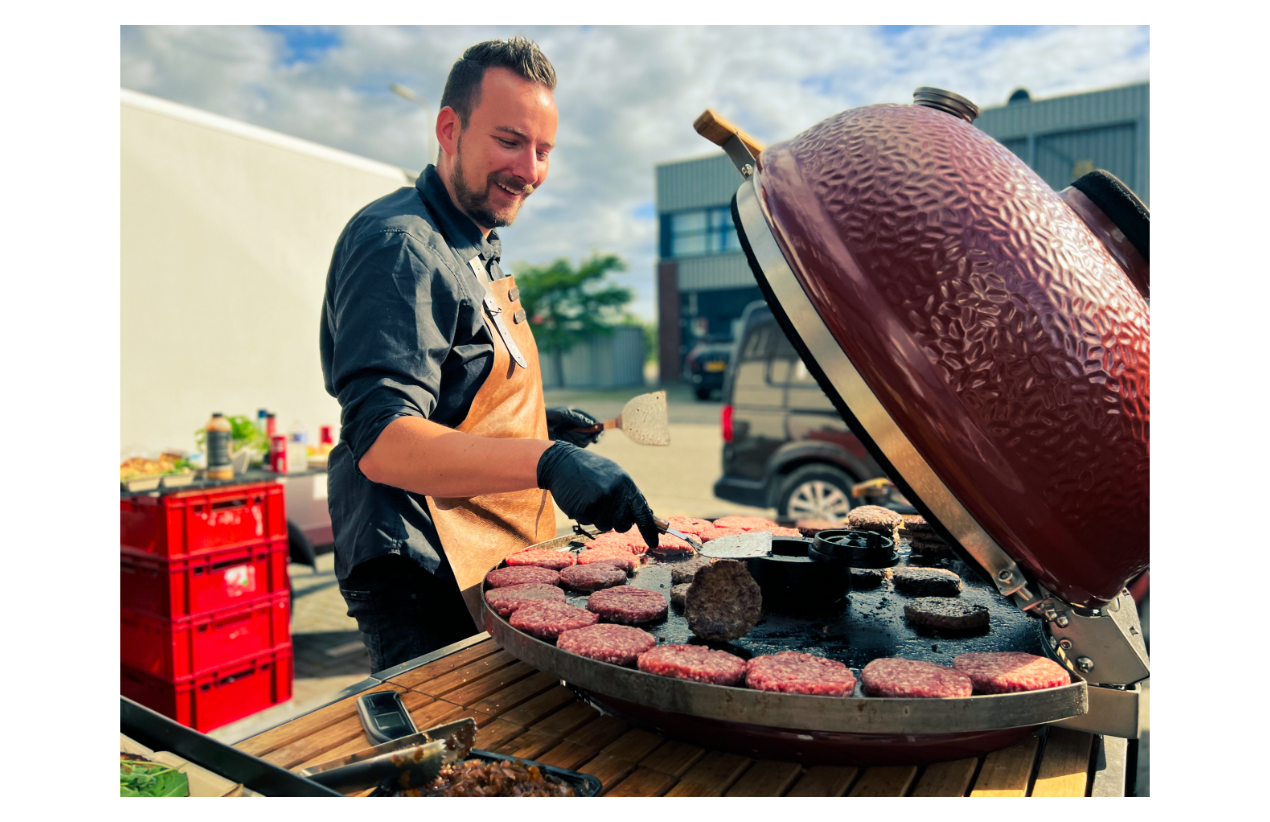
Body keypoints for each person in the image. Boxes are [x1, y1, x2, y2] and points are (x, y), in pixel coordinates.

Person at [320, 37, 658, 673]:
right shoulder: (402, 245)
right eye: (509, 140)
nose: (529, 170)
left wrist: (534, 425)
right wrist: (547, 461)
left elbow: (453, 392)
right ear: (450, 128)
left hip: (484, 544)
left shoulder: (477, 238)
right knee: (447, 763)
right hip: (422, 568)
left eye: (543, 150)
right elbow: (385, 441)